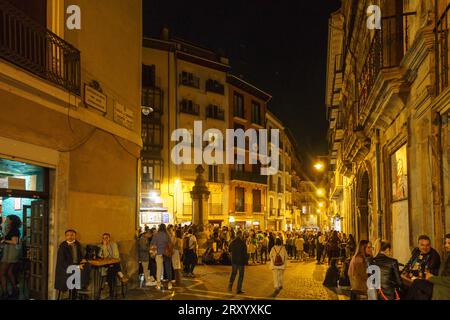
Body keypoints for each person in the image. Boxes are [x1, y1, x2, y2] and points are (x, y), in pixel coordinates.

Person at [54, 229, 86, 300]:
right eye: (68, 235)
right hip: (65, 269)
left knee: (87, 268)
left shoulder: (77, 244)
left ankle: (77, 292)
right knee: (77, 274)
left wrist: (82, 260)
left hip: (76, 267)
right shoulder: (62, 247)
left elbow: (80, 255)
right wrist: (77, 266)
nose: (70, 237)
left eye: (72, 235)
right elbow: (63, 262)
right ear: (65, 237)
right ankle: (75, 293)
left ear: (75, 236)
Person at [0, 215, 22, 299]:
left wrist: (4, 240)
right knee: (9, 272)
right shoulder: (13, 229)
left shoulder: (14, 230)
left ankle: (5, 293)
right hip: (12, 253)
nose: (6, 220)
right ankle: (16, 290)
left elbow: (14, 242)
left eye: (8, 219)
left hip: (10, 254)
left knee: (2, 273)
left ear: (12, 221)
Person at [98, 233, 125, 298]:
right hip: (105, 264)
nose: (105, 239)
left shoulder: (113, 244)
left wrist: (110, 258)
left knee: (111, 268)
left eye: (106, 237)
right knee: (113, 266)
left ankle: (109, 287)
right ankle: (120, 274)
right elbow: (101, 256)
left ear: (109, 238)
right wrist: (104, 246)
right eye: (103, 238)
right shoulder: (100, 246)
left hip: (112, 263)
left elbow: (116, 256)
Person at [425, 233, 450, 300]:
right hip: (439, 286)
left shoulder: (434, 254)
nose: (446, 245)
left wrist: (432, 278)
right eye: (445, 243)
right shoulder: (447, 255)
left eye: (449, 243)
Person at [150, 224, 173, 290]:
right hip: (166, 254)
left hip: (159, 254)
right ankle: (169, 283)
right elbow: (171, 243)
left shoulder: (156, 235)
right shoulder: (167, 235)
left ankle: (158, 284)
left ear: (159, 228)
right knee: (168, 268)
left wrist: (153, 253)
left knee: (159, 269)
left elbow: (152, 244)